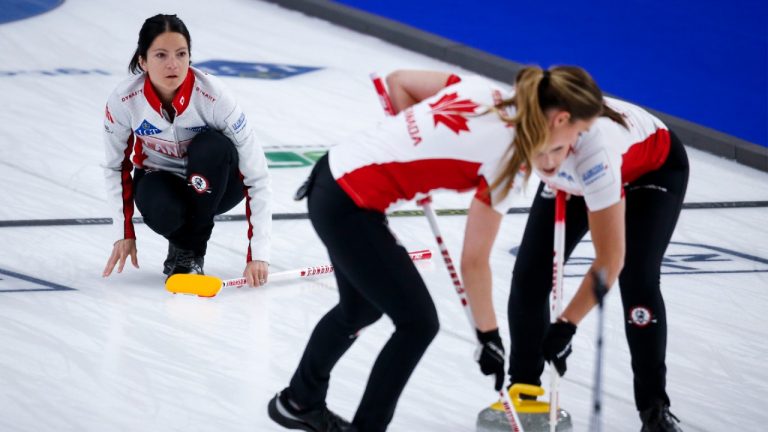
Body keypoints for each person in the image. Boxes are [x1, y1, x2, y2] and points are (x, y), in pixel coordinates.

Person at [267, 66, 603, 431]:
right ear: (562, 118)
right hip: (350, 204)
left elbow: (400, 83)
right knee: (418, 324)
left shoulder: (482, 88)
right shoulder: (511, 160)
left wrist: (411, 150)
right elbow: (474, 261)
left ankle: (298, 401)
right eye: (579, 133)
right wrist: (488, 336)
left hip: (332, 178)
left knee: (360, 308)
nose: (576, 144)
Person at [503, 68, 688, 431]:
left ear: (567, 127)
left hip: (652, 171)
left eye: (554, 151)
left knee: (638, 278)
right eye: (536, 154)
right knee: (529, 277)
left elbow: (609, 259)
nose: (546, 164)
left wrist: (566, 325)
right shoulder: (520, 129)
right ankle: (523, 391)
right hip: (573, 180)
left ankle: (654, 408)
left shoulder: (594, 153)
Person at [101, 14, 272, 287]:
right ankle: (183, 244)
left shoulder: (215, 96)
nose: (173, 64)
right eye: (161, 55)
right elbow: (115, 166)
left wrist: (259, 253)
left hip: (220, 183)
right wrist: (124, 232)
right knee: (164, 210)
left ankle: (191, 253)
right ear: (143, 61)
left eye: (181, 54)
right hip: (159, 182)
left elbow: (257, 175)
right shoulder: (124, 100)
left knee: (211, 147)